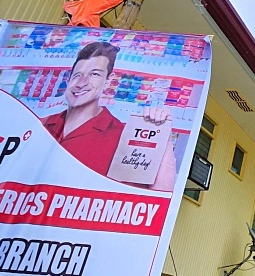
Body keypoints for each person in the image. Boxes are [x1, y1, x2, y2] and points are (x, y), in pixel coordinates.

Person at [41, 41, 171, 183]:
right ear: (68, 80)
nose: (81, 83)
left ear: (108, 81)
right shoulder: (39, 125)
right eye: (77, 75)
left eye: (94, 74)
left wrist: (163, 134)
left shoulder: (122, 137)